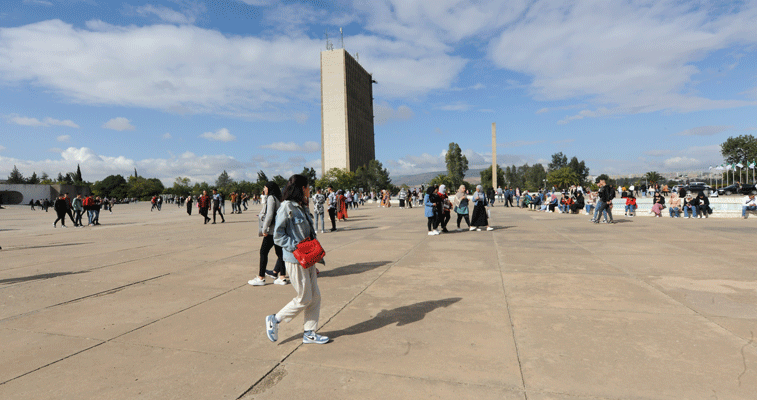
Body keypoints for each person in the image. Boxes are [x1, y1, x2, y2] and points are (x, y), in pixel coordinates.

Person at [266, 174, 329, 345]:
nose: (309, 190)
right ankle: (275, 319)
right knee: (304, 297)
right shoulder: (287, 207)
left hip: (308, 259)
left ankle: (309, 332)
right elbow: (278, 236)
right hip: (295, 259)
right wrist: (297, 248)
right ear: (302, 188)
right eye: (308, 187)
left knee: (315, 296)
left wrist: (312, 254)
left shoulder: (301, 207)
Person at [249, 182, 287, 286]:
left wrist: (264, 229)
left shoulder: (271, 198)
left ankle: (261, 278)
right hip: (278, 230)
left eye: (265, 187)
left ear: (269, 188)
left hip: (271, 231)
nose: (264, 189)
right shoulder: (279, 198)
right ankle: (282, 277)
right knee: (280, 254)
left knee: (263, 252)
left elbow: (269, 214)